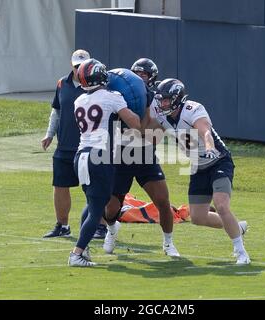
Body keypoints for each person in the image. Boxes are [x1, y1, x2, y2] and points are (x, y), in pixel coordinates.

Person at [151, 78, 250, 265]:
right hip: (198, 167)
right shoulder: (162, 116)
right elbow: (150, 133)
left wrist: (209, 146)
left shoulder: (192, 109)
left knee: (221, 206)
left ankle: (241, 252)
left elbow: (205, 131)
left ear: (177, 98)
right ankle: (237, 228)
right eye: (161, 100)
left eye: (166, 99)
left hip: (218, 161)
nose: (162, 103)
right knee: (198, 217)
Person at [102, 58, 180, 257]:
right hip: (121, 156)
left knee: (163, 200)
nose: (138, 78)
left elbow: (154, 137)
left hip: (144, 155)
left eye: (143, 75)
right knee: (111, 209)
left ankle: (168, 243)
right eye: (135, 74)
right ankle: (112, 230)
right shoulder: (119, 96)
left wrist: (144, 124)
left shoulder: (157, 101)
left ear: (151, 78)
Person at [68, 59, 142, 267]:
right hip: (99, 157)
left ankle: (82, 250)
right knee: (97, 209)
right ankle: (77, 253)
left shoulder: (79, 100)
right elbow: (135, 123)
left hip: (81, 155)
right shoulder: (112, 97)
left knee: (92, 204)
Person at [41, 49, 107, 239]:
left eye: (83, 65)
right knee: (60, 185)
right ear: (72, 65)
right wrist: (49, 135)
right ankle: (62, 225)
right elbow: (57, 111)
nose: (79, 69)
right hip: (65, 146)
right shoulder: (62, 83)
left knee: (95, 187)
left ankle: (100, 226)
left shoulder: (98, 85)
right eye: (77, 65)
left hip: (90, 146)